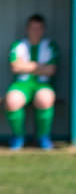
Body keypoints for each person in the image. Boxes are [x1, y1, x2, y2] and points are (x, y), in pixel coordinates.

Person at [5, 14, 58, 150]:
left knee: (45, 99)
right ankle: (18, 137)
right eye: (33, 28)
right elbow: (15, 67)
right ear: (27, 29)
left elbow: (51, 70)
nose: (36, 31)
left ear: (43, 30)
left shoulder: (50, 46)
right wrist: (39, 66)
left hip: (42, 84)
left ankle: (43, 137)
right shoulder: (19, 45)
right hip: (21, 84)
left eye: (39, 28)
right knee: (12, 101)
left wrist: (27, 66)